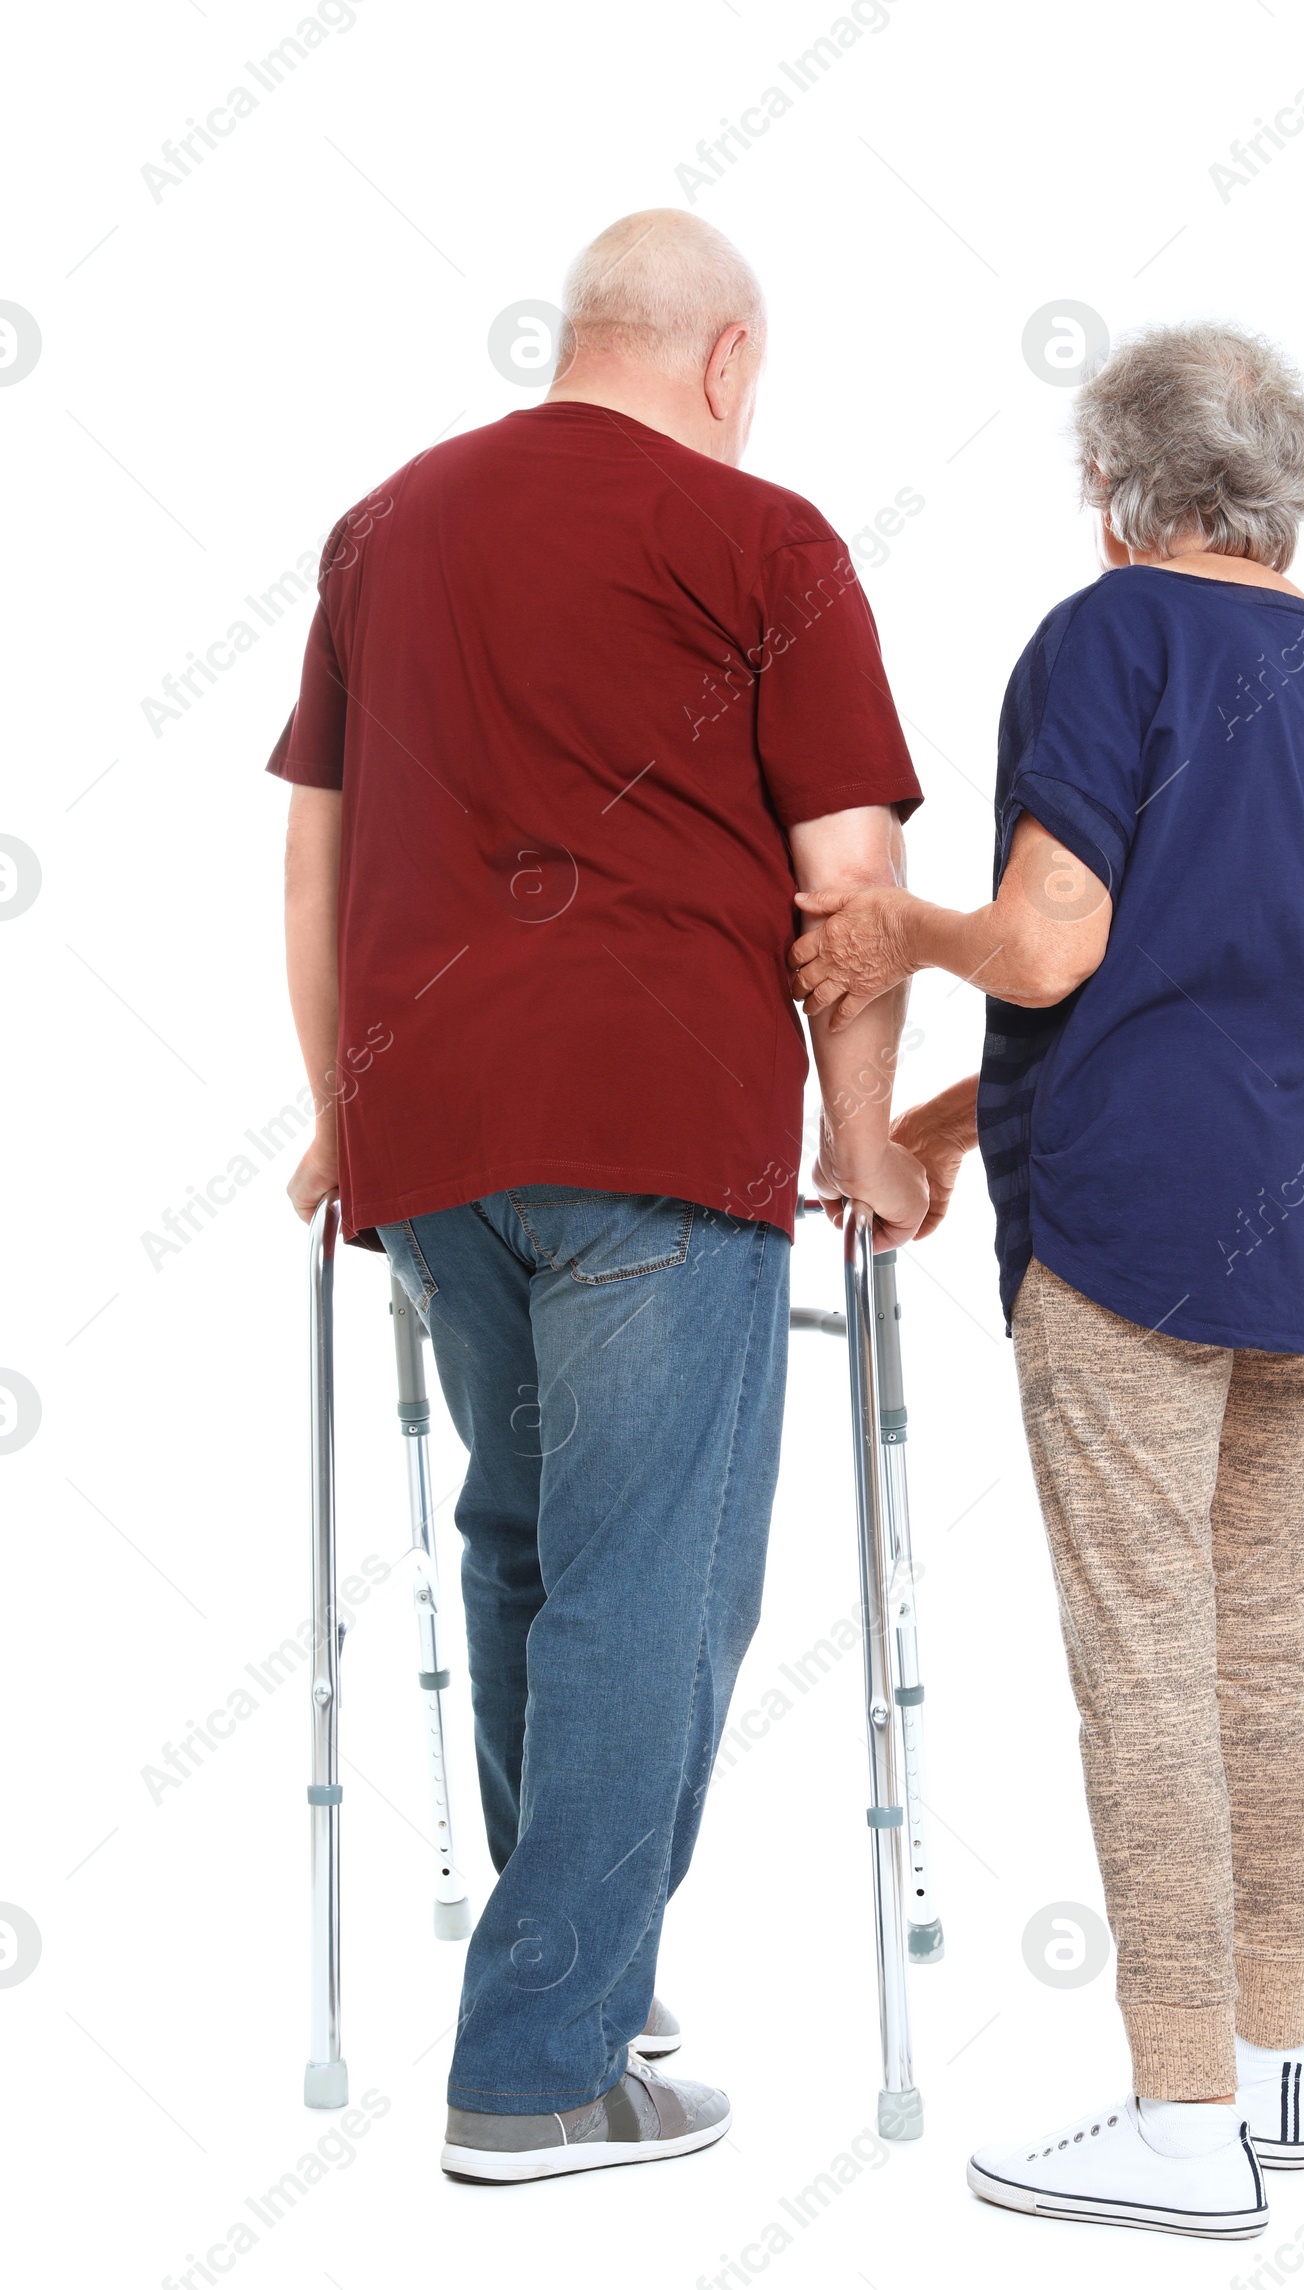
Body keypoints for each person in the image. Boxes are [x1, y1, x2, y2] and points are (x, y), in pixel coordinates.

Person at [271, 209, 928, 2184]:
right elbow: (852, 872)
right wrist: (865, 1133)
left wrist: (341, 1114)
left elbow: (312, 866)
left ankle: (587, 1972)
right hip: (656, 1117)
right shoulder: (760, 536)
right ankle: (542, 2065)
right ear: (725, 361)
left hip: (437, 1136)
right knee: (654, 1581)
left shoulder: (382, 527)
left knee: (530, 1548)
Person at [790, 321, 1304, 2240]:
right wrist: (968, 1123)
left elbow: (1058, 944)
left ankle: (1174, 2119)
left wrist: (893, 921)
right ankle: (1276, 2073)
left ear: (1119, 488)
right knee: (1261, 1642)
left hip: (1147, 1228)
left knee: (1147, 1652)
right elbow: (1200, 973)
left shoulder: (1110, 633)